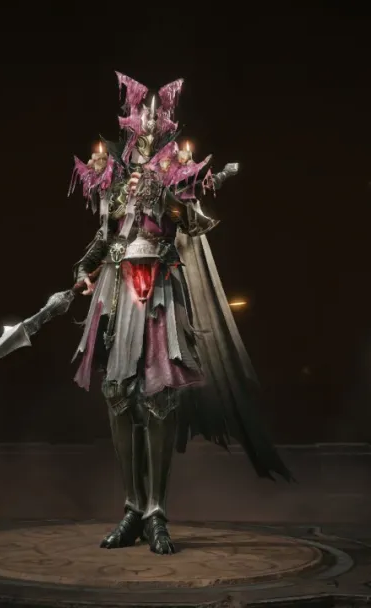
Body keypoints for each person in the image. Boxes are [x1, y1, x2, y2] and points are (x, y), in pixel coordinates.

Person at [68, 73, 292, 555]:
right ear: (130, 117)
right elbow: (105, 236)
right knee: (117, 394)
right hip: (119, 287)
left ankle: (155, 513)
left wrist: (181, 191)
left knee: (159, 398)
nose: (149, 119)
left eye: (157, 112)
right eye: (142, 111)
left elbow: (189, 222)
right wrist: (83, 268)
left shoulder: (173, 170)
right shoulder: (115, 175)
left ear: (166, 118)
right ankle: (132, 509)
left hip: (159, 288)